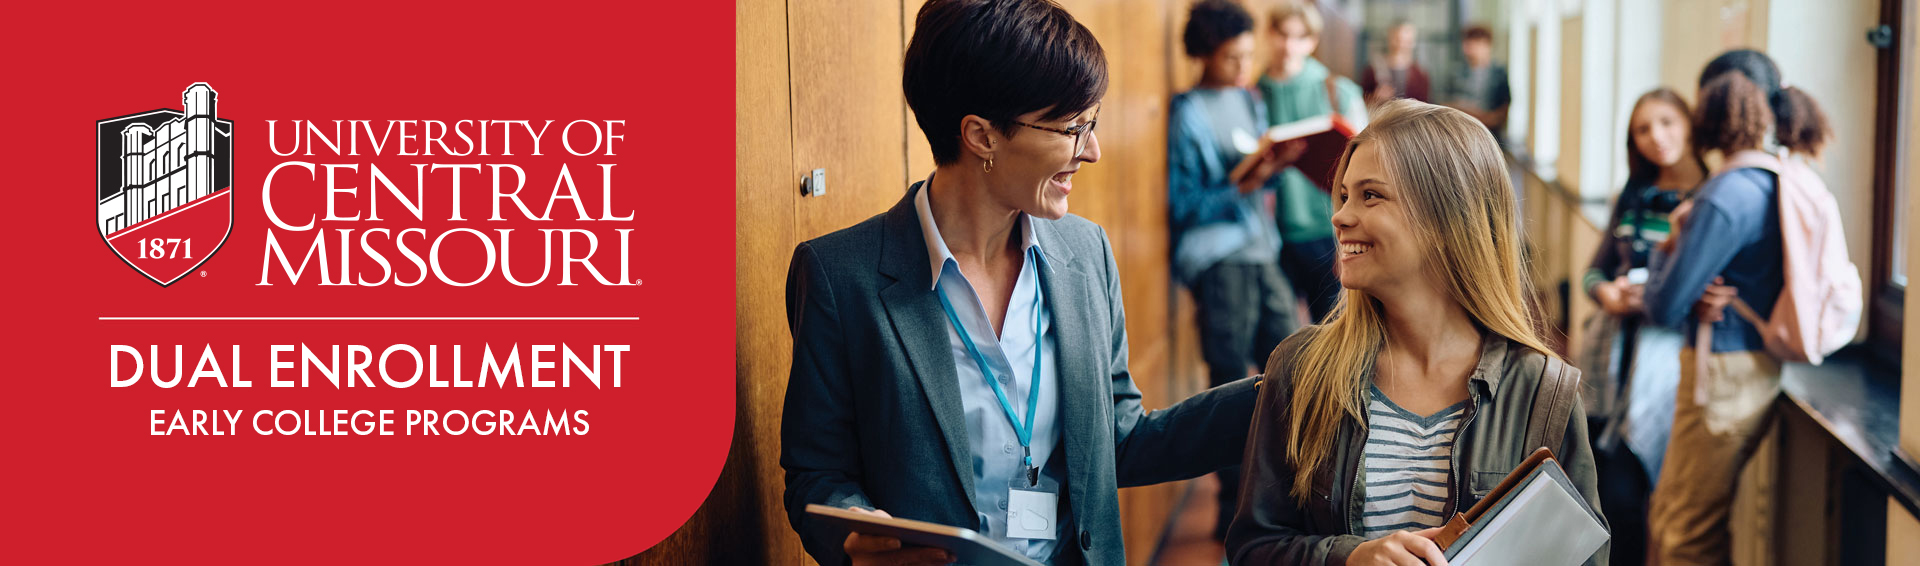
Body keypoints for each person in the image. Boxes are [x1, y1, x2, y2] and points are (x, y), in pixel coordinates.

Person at [781, 2, 1261, 565]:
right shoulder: (842, 276)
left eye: (1094, 122)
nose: (1093, 150)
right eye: (1072, 128)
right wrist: (859, 532)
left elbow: (1118, 440)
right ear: (981, 135)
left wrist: (1278, 394)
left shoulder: (1087, 253)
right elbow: (818, 475)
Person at [1225, 99, 1608, 566]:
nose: (1340, 216)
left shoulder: (1544, 391)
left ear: (1448, 219)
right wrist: (1349, 559)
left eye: (1370, 195)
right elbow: (1253, 548)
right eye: (1344, 195)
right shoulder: (1301, 368)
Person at [1642, 49, 1830, 566]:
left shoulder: (1728, 193)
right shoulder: (1776, 177)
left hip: (1722, 376)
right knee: (1685, 520)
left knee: (1685, 535)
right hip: (1751, 369)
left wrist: (1669, 245)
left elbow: (1661, 306)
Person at [1167, 0, 1301, 541]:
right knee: (1230, 382)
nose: (1244, 68)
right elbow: (1183, 205)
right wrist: (1239, 186)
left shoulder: (1250, 101)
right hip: (1219, 260)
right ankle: (1232, 514)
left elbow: (1257, 176)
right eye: (1232, 57)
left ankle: (1289, 502)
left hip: (1260, 250)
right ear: (1204, 54)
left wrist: (1276, 166)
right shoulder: (1188, 112)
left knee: (1297, 371)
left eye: (1249, 56)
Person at [1581, 87, 1708, 566]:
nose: (1657, 137)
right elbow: (1593, 271)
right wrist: (1606, 294)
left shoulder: (1712, 199)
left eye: (1667, 122)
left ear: (1690, 124)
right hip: (1611, 357)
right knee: (1611, 495)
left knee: (1665, 501)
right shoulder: (1632, 196)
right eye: (1643, 129)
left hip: (1671, 364)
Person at [1256, 1, 1368, 323]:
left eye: (1299, 37)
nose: (1289, 46)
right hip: (1269, 235)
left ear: (1312, 41)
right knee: (1278, 341)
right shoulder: (1253, 93)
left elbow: (1368, 170)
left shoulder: (1337, 91)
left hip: (1327, 231)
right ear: (1269, 34)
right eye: (1282, 34)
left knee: (1332, 332)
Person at [1441, 24, 1511, 135]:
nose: (1469, 49)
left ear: (1487, 45)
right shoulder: (1456, 73)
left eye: (1475, 44)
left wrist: (1481, 117)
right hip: (1461, 132)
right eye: (1467, 44)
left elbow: (1503, 111)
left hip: (1490, 134)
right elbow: (1445, 104)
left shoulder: (1499, 74)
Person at [1358, 21, 1431, 106]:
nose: (1401, 44)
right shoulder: (1372, 70)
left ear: (1413, 42)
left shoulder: (1420, 74)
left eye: (1406, 40)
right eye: (1397, 39)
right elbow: (1360, 104)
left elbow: (1427, 105)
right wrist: (1375, 98)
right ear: (1389, 38)